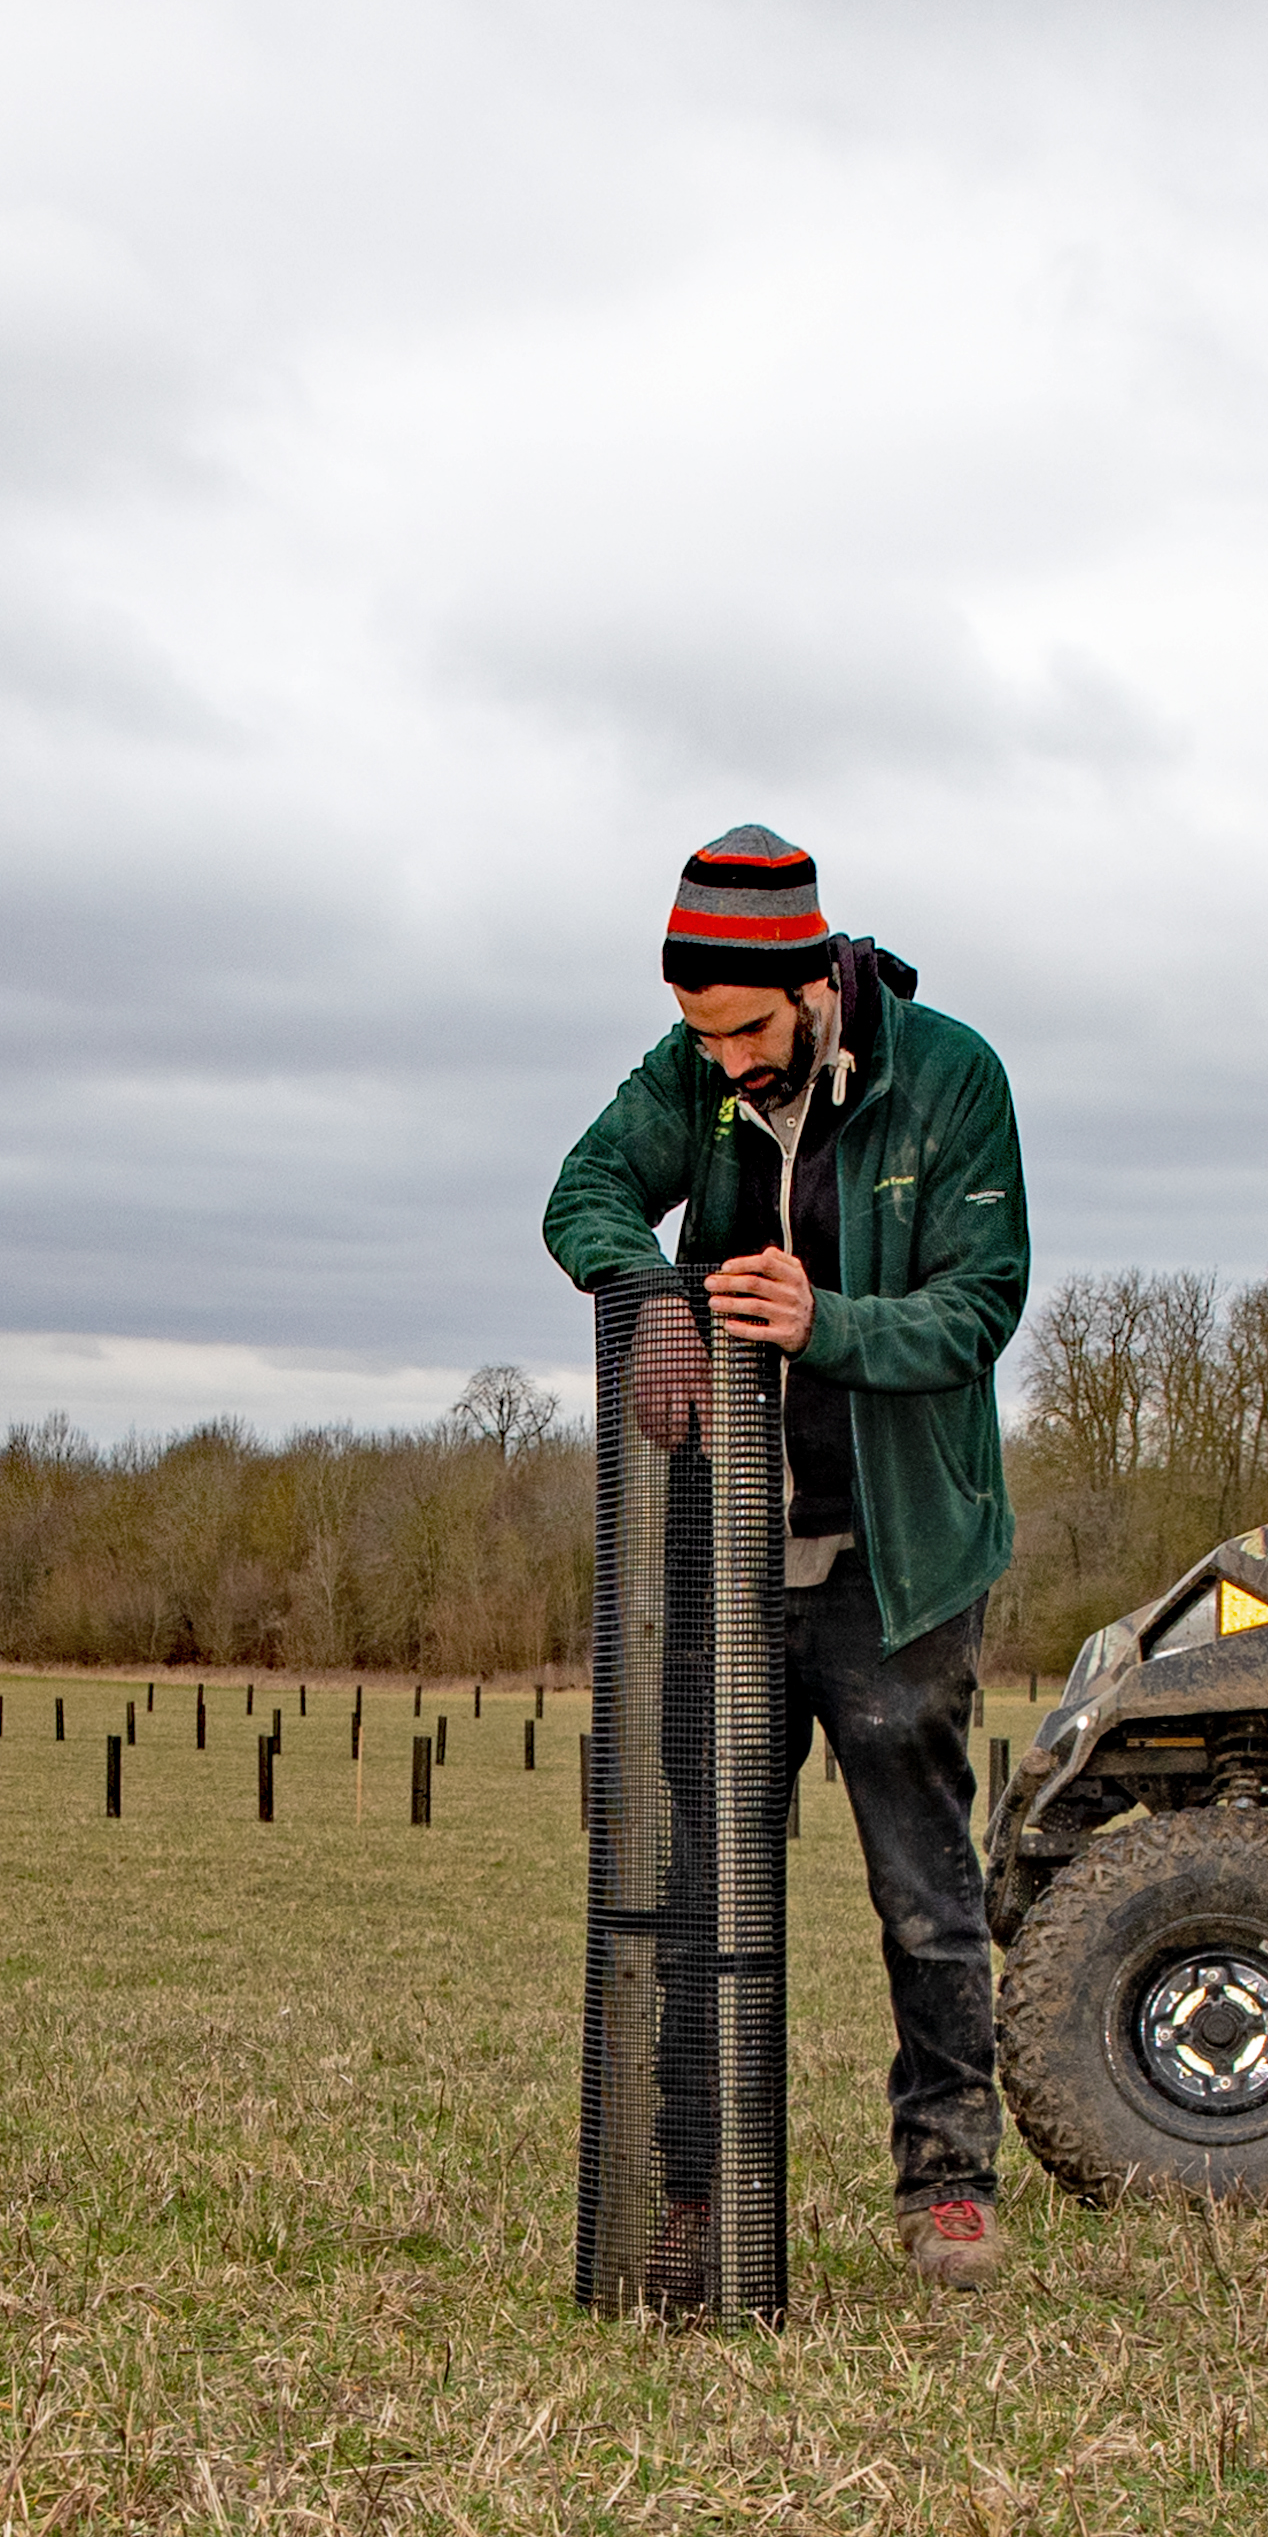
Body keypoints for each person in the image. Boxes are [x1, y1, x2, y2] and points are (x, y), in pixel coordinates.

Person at [540, 825, 1034, 2288]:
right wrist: (658, 1298)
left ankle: (947, 2182)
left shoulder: (952, 1077)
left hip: (900, 1554)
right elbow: (581, 1195)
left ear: (815, 980)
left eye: (747, 1032)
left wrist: (827, 1325)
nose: (726, 1063)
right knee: (701, 1883)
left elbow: (981, 1305)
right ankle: (696, 2186)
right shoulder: (691, 1071)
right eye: (702, 1037)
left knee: (922, 1889)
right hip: (727, 1554)